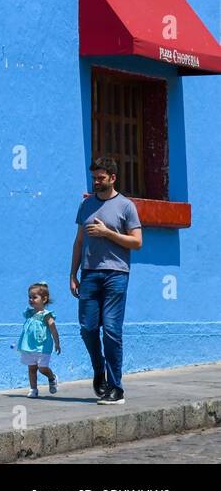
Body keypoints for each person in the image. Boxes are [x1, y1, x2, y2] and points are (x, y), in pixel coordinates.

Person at [70, 157, 143, 405]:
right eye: (94, 178)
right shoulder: (86, 205)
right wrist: (73, 274)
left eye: (101, 178)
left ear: (113, 178)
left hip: (116, 274)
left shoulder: (126, 206)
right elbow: (79, 241)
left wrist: (108, 233)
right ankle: (98, 369)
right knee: (88, 329)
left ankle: (116, 388)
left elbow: (137, 242)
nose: (97, 182)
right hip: (89, 274)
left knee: (111, 331)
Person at [17, 281, 61, 397]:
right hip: (29, 346)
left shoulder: (46, 315)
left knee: (42, 368)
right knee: (31, 368)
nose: (31, 299)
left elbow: (53, 330)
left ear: (44, 299)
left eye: (34, 297)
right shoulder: (29, 313)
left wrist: (57, 343)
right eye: (29, 297)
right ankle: (33, 389)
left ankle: (52, 377)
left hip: (42, 346)